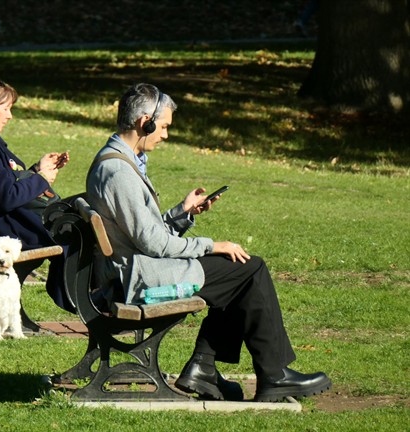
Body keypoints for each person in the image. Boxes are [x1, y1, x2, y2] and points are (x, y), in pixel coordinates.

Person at [85, 83, 332, 402]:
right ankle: (269, 375)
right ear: (145, 122)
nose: (165, 135)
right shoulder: (118, 170)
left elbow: (143, 233)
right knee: (249, 269)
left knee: (238, 271)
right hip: (138, 282)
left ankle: (205, 368)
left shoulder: (117, 161)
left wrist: (182, 213)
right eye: (164, 126)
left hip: (135, 271)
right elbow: (154, 244)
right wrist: (212, 245)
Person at [0, 76, 74, 312]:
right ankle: (81, 297)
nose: (9, 116)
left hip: (17, 220)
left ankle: (81, 294)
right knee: (79, 227)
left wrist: (38, 170)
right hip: (15, 227)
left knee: (81, 210)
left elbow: (5, 182)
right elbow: (6, 197)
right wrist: (41, 179)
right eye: (6, 108)